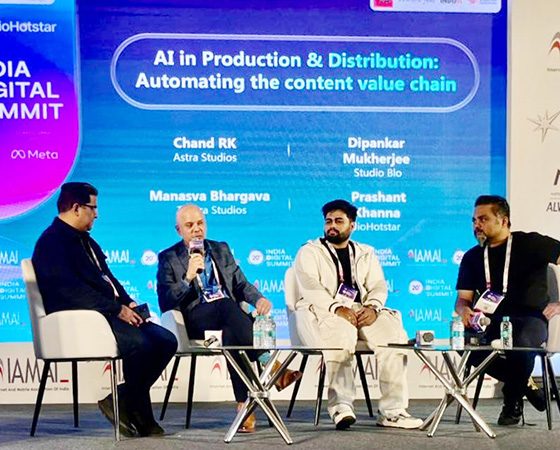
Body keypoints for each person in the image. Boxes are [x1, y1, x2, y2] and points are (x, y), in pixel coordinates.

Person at [32, 182, 178, 438]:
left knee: (165, 340)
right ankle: (139, 412)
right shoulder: (52, 243)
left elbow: (108, 279)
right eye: (93, 208)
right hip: (81, 320)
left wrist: (128, 303)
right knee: (140, 343)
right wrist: (116, 309)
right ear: (76, 208)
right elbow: (70, 292)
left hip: (107, 312)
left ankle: (121, 398)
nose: (96, 214)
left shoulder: (87, 241)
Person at [156, 204, 301, 433]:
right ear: (179, 230)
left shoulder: (220, 249)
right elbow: (165, 301)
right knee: (225, 305)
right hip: (195, 319)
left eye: (200, 223)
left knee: (231, 333)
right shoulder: (168, 257)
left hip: (228, 318)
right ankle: (270, 364)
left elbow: (240, 283)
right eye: (189, 225)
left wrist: (258, 299)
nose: (196, 229)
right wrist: (187, 278)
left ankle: (244, 408)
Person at [293, 199, 422, 430]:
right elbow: (310, 286)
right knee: (341, 334)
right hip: (326, 310)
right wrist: (337, 308)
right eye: (328, 221)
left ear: (352, 225)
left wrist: (373, 307)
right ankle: (341, 406)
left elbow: (378, 285)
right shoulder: (309, 251)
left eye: (338, 221)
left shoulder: (365, 252)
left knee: (393, 338)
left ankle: (393, 412)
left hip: (362, 309)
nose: (332, 226)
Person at [455, 195, 560, 425]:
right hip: (490, 320)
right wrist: (464, 311)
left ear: (503, 220)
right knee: (462, 343)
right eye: (474, 220)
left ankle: (512, 402)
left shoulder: (531, 243)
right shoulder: (472, 257)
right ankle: (525, 384)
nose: (476, 225)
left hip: (530, 319)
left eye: (483, 219)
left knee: (519, 341)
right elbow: (463, 299)